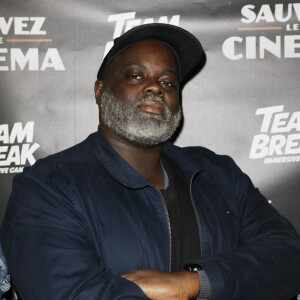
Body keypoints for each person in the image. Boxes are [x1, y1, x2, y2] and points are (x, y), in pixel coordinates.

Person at [1, 23, 300, 300]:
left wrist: (191, 284)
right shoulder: (49, 186)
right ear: (100, 91)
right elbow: (68, 293)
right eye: (135, 75)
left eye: (168, 82)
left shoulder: (217, 173)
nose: (156, 87)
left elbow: (289, 257)